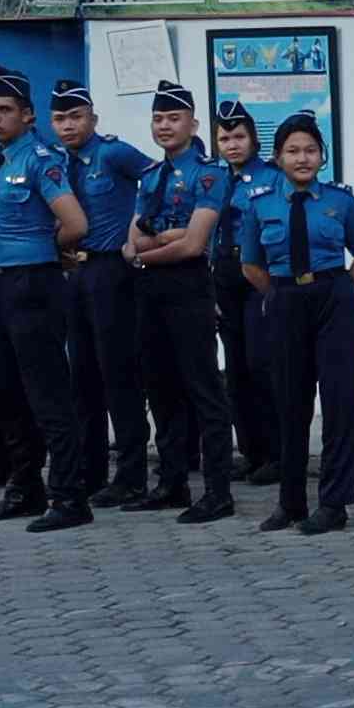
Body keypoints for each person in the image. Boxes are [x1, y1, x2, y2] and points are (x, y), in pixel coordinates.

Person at [0, 67, 99, 532]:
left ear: (28, 115)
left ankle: (71, 496)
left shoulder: (40, 159)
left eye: (5, 110)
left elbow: (75, 224)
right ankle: (22, 483)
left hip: (32, 282)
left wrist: (42, 250)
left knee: (47, 392)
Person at [234, 108, 354, 535]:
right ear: (277, 157)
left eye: (311, 150)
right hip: (284, 298)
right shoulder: (259, 204)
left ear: (322, 156)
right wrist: (279, 295)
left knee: (339, 405)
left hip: (334, 298)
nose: (302, 158)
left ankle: (334, 504)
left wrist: (341, 291)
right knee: (290, 404)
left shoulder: (340, 201)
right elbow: (250, 264)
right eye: (293, 151)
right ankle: (290, 502)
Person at [118, 82, 240, 524]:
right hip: (149, 290)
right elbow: (129, 243)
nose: (165, 126)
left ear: (193, 123)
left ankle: (219, 491)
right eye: (158, 119)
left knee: (203, 387)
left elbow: (193, 245)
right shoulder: (150, 175)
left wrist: (152, 246)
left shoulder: (211, 173)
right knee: (159, 386)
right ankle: (171, 482)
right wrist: (161, 240)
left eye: (173, 118)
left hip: (188, 288)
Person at [47, 80, 157, 503]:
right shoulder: (54, 161)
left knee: (119, 375)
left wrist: (140, 232)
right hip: (74, 272)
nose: (68, 126)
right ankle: (90, 472)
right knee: (82, 378)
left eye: (76, 117)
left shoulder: (114, 153)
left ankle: (130, 476)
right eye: (60, 118)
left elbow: (158, 182)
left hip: (114, 271)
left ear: (92, 118)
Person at [209, 105, 284, 486]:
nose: (232, 145)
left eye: (238, 137)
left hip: (258, 274)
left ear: (254, 139)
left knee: (261, 364)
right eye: (224, 138)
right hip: (224, 273)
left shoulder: (272, 177)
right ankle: (251, 451)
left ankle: (278, 454)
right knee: (235, 369)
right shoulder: (217, 179)